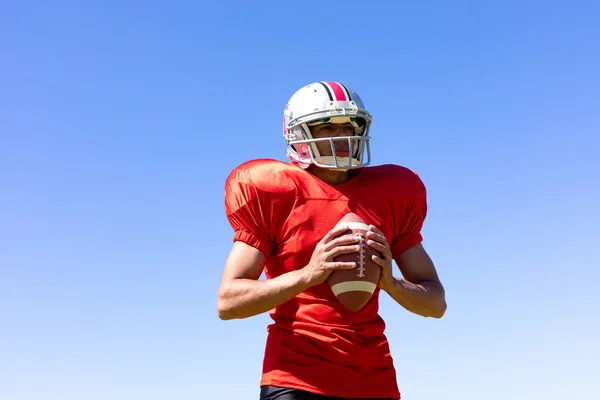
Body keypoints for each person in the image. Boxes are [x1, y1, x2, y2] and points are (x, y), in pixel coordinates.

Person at [217, 81, 447, 400]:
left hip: (375, 380)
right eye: (327, 126)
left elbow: (436, 303)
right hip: (295, 377)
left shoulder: (393, 192)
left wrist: (392, 284)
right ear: (299, 135)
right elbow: (228, 301)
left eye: (349, 124)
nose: (342, 134)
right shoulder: (273, 190)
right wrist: (309, 274)